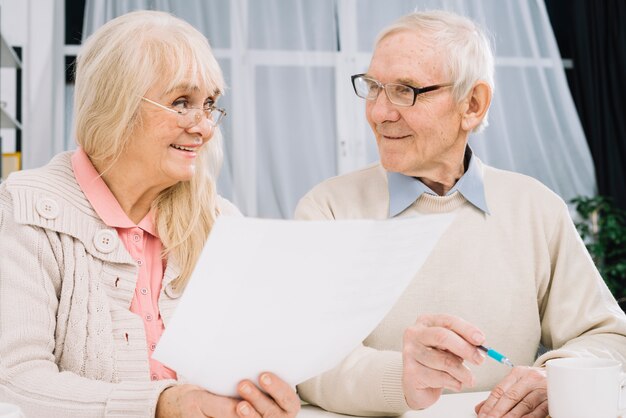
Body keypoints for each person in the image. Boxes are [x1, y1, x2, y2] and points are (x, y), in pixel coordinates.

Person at [295, 9, 626, 418]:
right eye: (374, 87)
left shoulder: (535, 208)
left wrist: (554, 376)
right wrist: (403, 378)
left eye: (406, 90)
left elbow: (607, 334)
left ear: (473, 104)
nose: (379, 112)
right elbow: (305, 360)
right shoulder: (327, 210)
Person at [0, 11, 300, 418]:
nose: (205, 128)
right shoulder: (26, 209)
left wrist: (265, 390)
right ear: (115, 104)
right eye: (182, 102)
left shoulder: (220, 220)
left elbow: (260, 353)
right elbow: (15, 380)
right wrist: (161, 404)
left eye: (209, 105)